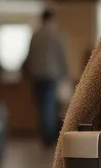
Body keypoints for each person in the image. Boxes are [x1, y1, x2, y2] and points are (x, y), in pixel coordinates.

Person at [22, 8, 70, 147]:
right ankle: (49, 137)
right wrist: (65, 74)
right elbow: (62, 57)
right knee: (49, 107)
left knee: (41, 107)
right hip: (51, 76)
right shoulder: (56, 35)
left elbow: (29, 57)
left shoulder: (35, 36)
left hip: (37, 76)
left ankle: (45, 136)